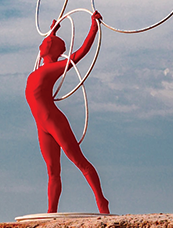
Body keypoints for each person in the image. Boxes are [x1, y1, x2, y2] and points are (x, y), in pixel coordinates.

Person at [25, 13, 110, 214]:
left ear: (53, 48)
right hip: (41, 126)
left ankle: (101, 201)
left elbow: (79, 54)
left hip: (53, 121)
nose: (43, 42)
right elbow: (46, 47)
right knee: (52, 171)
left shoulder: (53, 69)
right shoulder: (40, 69)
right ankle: (51, 211)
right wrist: (53, 31)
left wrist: (93, 27)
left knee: (79, 161)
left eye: (48, 41)